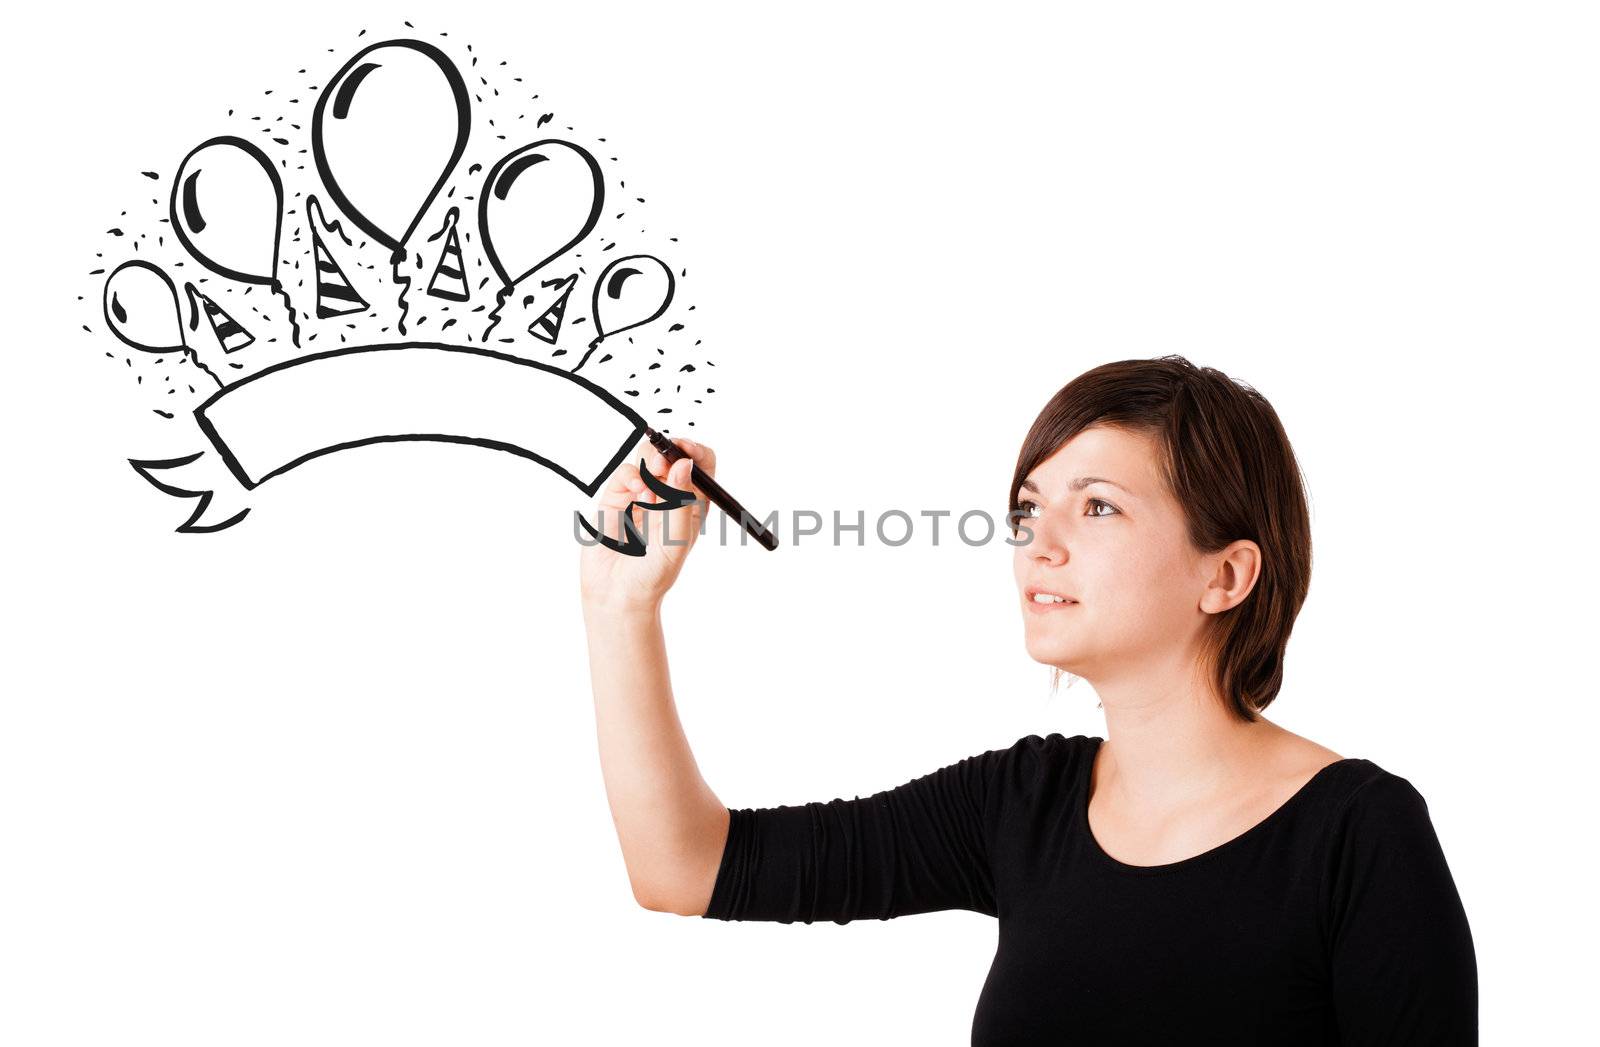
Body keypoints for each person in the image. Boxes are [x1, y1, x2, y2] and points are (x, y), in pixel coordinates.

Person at [577, 355, 1478, 1044]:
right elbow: (687, 868)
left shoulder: (1362, 835)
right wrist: (622, 607)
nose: (1036, 544)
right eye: (1026, 510)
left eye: (1097, 509)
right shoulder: (1022, 803)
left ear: (1228, 573)